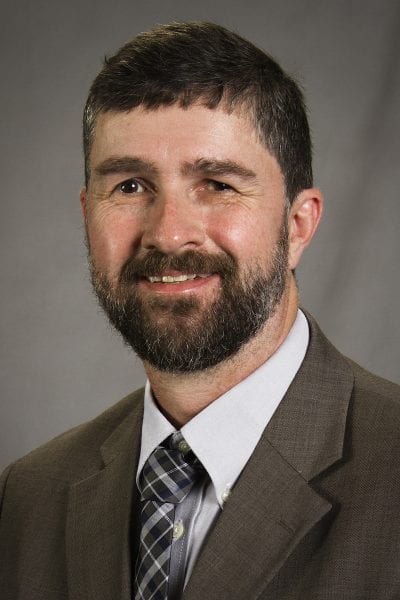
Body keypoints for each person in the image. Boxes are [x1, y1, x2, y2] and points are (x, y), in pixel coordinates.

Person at [1, 21, 400, 600]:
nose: (168, 234)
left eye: (216, 183)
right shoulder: (27, 498)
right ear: (87, 214)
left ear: (298, 224)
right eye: (132, 187)